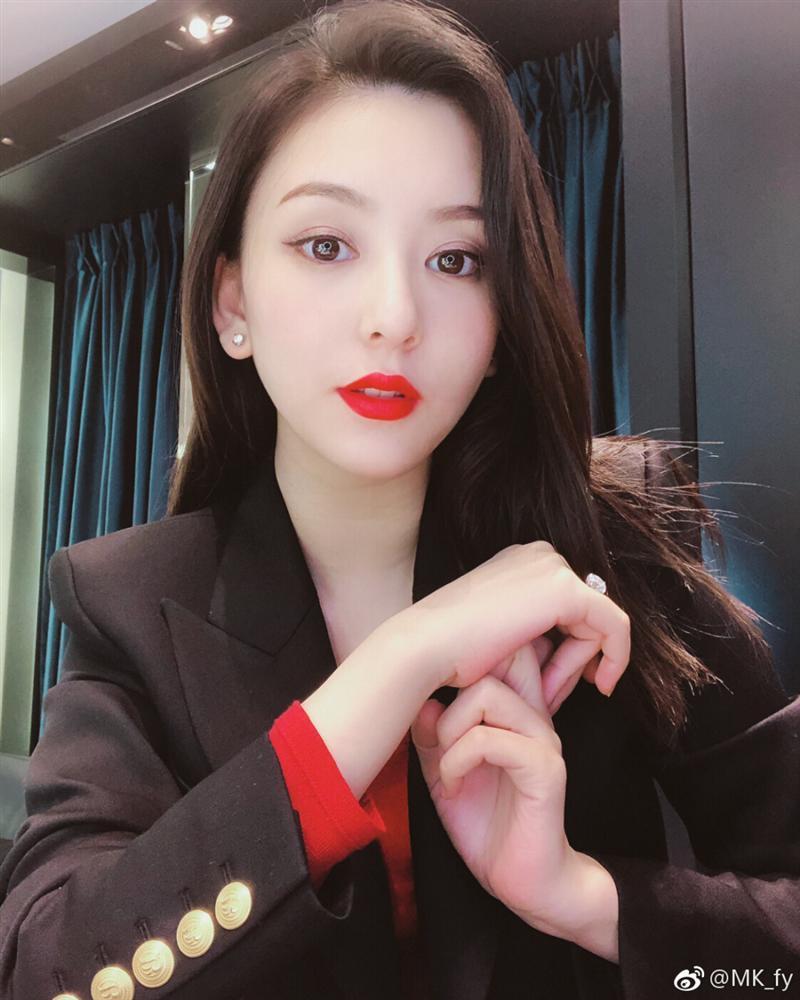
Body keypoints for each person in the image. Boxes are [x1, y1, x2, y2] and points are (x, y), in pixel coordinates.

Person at [1, 1, 798, 998]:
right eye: (326, 245)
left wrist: (581, 897)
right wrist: (394, 665)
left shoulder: (611, 544)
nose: (394, 317)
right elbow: (50, 970)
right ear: (231, 303)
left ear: (502, 317)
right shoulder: (126, 603)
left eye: (455, 260)